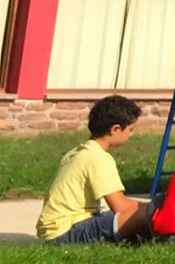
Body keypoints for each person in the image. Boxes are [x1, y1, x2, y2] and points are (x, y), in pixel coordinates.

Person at [36, 95, 151, 244]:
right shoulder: (98, 158)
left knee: (141, 214)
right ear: (115, 129)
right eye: (130, 129)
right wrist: (153, 207)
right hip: (64, 233)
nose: (132, 134)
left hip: (54, 232)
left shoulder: (78, 152)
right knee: (145, 214)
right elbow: (120, 206)